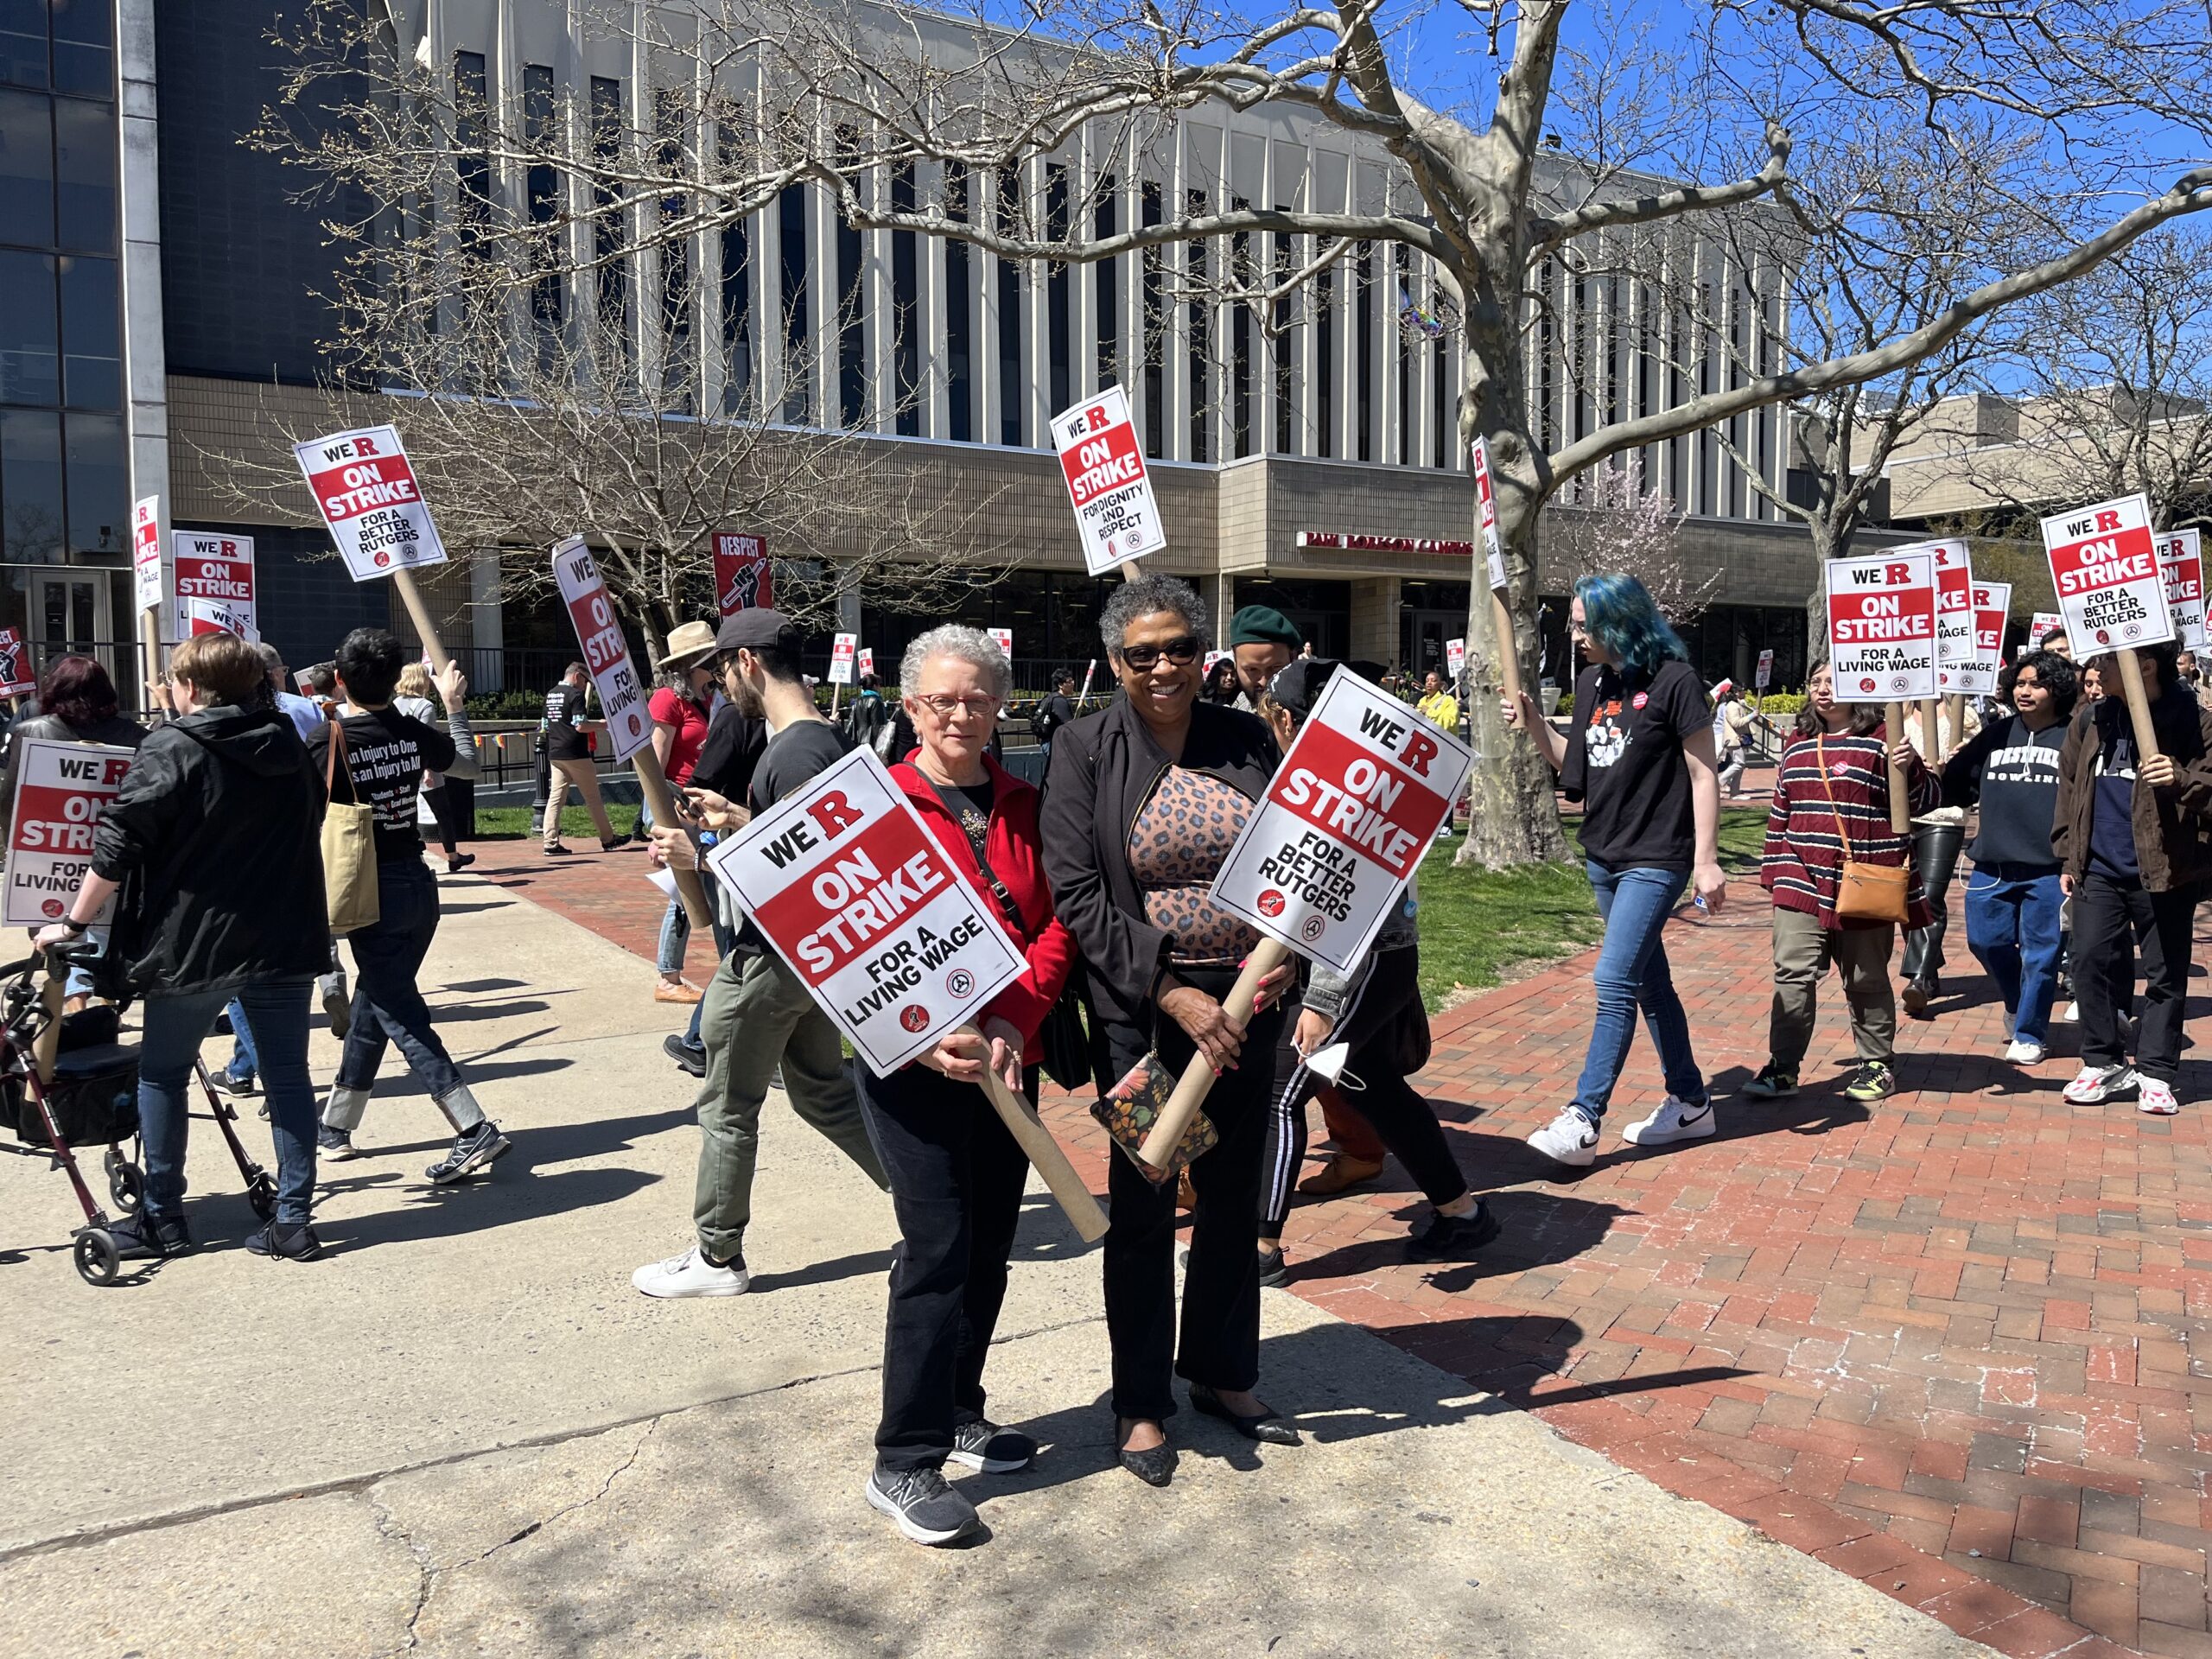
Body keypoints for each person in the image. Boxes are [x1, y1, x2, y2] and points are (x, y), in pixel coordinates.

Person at [1042, 573, 1298, 1487]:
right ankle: (1139, 1401)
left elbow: (1298, 869)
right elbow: (1075, 893)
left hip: (1250, 1009)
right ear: (1115, 661)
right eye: (1142, 652)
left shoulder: (1244, 739)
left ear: (1205, 656)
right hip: (1144, 1024)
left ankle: (1224, 1373)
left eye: (1180, 648)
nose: (1163, 667)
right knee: (1147, 1208)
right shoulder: (1083, 748)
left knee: (1233, 1202)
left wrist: (1279, 974)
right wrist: (1169, 991)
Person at [854, 626, 1078, 1546]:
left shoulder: (1029, 803)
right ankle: (903, 1461)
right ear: (910, 706)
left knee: (988, 1249)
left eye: (979, 697)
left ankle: (958, 1409)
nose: (961, 713)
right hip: (911, 1071)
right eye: (942, 698)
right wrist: (922, 1038)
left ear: (1001, 705)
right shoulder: (871, 808)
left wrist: (1009, 1023)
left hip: (1003, 1063)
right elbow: (845, 949)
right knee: (937, 1249)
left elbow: (1057, 926)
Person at [34, 632, 327, 1259]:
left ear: (191, 688)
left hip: (201, 943)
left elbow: (118, 843)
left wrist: (73, 922)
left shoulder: (173, 745)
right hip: (284, 933)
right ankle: (294, 1218)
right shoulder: (290, 744)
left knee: (163, 1075)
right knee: (288, 1075)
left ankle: (162, 1216)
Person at [631, 608, 888, 1298]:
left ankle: (717, 1258)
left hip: (771, 957)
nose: (719, 686)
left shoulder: (795, 752)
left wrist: (706, 853)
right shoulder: (816, 741)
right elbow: (807, 838)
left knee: (725, 1102)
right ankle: (934, 1198)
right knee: (824, 1097)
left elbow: (816, 870)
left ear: (747, 664)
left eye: (722, 670)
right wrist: (738, 820)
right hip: (804, 960)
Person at [1253, 658, 1495, 1281]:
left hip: (1359, 965)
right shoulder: (1356, 774)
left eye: (1270, 716)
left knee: (1281, 1095)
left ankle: (1258, 1250)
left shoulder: (1344, 786)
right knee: (1378, 1086)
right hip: (1371, 963)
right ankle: (1461, 1212)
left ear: (1285, 719)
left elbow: (1349, 905)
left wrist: (1323, 1000)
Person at [1503, 574, 1726, 1166]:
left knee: (1613, 981)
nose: (1575, 635)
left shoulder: (1676, 681)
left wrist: (1707, 861)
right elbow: (1572, 764)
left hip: (1658, 858)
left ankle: (1583, 1117)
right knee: (1651, 984)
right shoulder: (1592, 681)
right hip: (1602, 855)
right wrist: (1533, 723)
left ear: (1620, 622)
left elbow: (1704, 775)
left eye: (1584, 625)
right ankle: (1692, 1101)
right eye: (1574, 624)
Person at [310, 628, 510, 1183]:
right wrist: (453, 706)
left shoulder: (330, 739)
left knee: (400, 1012)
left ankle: (473, 1129)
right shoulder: (412, 729)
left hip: (367, 893)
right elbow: (466, 764)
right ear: (397, 678)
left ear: (341, 679)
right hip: (418, 889)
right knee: (377, 999)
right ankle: (336, 1127)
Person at [1743, 664, 1938, 1104]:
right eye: (1815, 682)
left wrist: (1913, 770)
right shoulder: (1796, 745)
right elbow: (1781, 811)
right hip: (1801, 880)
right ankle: (1783, 1067)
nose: (1822, 690)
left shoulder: (1882, 740)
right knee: (1792, 973)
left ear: (1858, 686)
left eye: (1833, 682)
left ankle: (1876, 1064)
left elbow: (1927, 802)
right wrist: (1774, 870)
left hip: (1862, 880)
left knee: (1865, 979)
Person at [2052, 643, 2212, 1116]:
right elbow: (2068, 788)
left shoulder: (2196, 721)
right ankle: (2102, 1061)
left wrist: (2181, 778)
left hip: (2166, 870)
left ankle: (2157, 1071)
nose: (2094, 668)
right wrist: (2067, 856)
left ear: (2143, 666)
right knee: (2088, 964)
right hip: (2096, 868)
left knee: (2166, 976)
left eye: (2105, 659)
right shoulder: (2091, 720)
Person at [1933, 651, 2075, 1065]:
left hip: (2049, 870)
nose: (2025, 691)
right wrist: (1948, 766)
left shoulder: (2076, 736)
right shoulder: (1996, 734)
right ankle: (2018, 1001)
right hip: (1991, 867)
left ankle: (2031, 1032)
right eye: (2020, 683)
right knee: (1986, 941)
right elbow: (1958, 789)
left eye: (2036, 684)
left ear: (2057, 690)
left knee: (2042, 954)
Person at [1, 654, 149, 1014]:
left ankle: (77, 1020)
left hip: (46, 858)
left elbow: (8, 800)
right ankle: (102, 1016)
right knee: (102, 942)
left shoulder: (29, 732)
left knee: (59, 948)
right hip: (114, 861)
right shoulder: (138, 738)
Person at [661, 652, 768, 1080]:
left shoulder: (730, 713)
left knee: (737, 956)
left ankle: (700, 1042)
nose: (717, 677)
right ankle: (702, 1042)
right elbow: (671, 764)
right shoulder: (713, 710)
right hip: (713, 835)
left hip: (724, 838)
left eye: (720, 667)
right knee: (737, 954)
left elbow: (705, 785)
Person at [648, 623, 718, 1003]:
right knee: (685, 891)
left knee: (691, 889)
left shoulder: (704, 700)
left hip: (701, 808)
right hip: (678, 808)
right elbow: (654, 768)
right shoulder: (666, 701)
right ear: (693, 662)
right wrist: (661, 823)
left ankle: (670, 974)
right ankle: (668, 976)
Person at [1898, 700, 1981, 1015]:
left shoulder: (1964, 716)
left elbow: (1979, 766)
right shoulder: (1896, 714)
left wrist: (1964, 758)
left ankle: (1917, 979)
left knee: (1930, 896)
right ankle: (1929, 968)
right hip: (1903, 815)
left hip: (1944, 816)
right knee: (1907, 900)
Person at [395, 663, 474, 876]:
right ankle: (453, 857)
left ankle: (414, 856)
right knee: (443, 813)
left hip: (401, 768)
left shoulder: (393, 705)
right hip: (425, 767)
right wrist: (429, 770)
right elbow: (427, 741)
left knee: (404, 813)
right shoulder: (425, 706)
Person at [542, 661, 620, 855]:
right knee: (593, 798)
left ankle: (550, 842)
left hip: (555, 752)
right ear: (577, 676)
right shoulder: (575, 695)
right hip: (576, 753)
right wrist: (603, 724)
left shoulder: (550, 694)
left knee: (555, 799)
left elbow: (544, 725)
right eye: (586, 681)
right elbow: (580, 726)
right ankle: (608, 838)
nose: (586, 686)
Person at [1228, 604, 1300, 709]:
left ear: (1293, 657)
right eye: (1252, 669)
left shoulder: (1318, 714)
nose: (1264, 682)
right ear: (1235, 662)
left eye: (1276, 667)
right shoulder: (1224, 721)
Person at [1028, 668, 1077, 758]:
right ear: (1060, 685)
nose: (1073, 683)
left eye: (1072, 680)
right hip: (1054, 744)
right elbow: (1070, 725)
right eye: (1069, 681)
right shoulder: (1059, 701)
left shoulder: (1051, 698)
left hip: (1049, 742)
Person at [843, 672, 891, 753]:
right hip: (871, 743)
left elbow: (851, 722)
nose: (880, 687)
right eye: (879, 685)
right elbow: (877, 726)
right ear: (875, 686)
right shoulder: (876, 701)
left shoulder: (857, 701)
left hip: (858, 741)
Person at [1713, 687, 1748, 798]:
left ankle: (1734, 790)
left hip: (1735, 737)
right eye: (1743, 690)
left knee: (1738, 763)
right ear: (1737, 693)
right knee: (1739, 763)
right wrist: (1751, 716)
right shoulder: (1731, 706)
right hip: (1731, 738)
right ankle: (1720, 782)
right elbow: (1735, 722)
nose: (1745, 692)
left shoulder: (1733, 705)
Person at [1415, 669, 1460, 734]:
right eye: (1427, 681)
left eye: (1433, 681)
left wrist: (1429, 712)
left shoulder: (1448, 700)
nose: (1429, 683)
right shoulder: (1422, 700)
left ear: (1440, 685)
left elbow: (1451, 723)